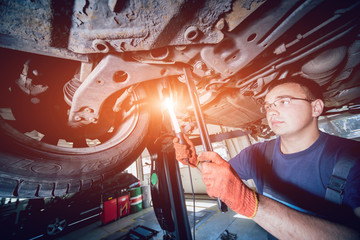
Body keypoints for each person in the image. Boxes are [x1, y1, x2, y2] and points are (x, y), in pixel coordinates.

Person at [173, 77, 360, 239]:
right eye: (268, 105)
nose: (272, 111)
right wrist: (194, 160)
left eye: (284, 101)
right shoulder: (255, 153)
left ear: (316, 107)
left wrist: (251, 203)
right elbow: (220, 178)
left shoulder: (353, 159)